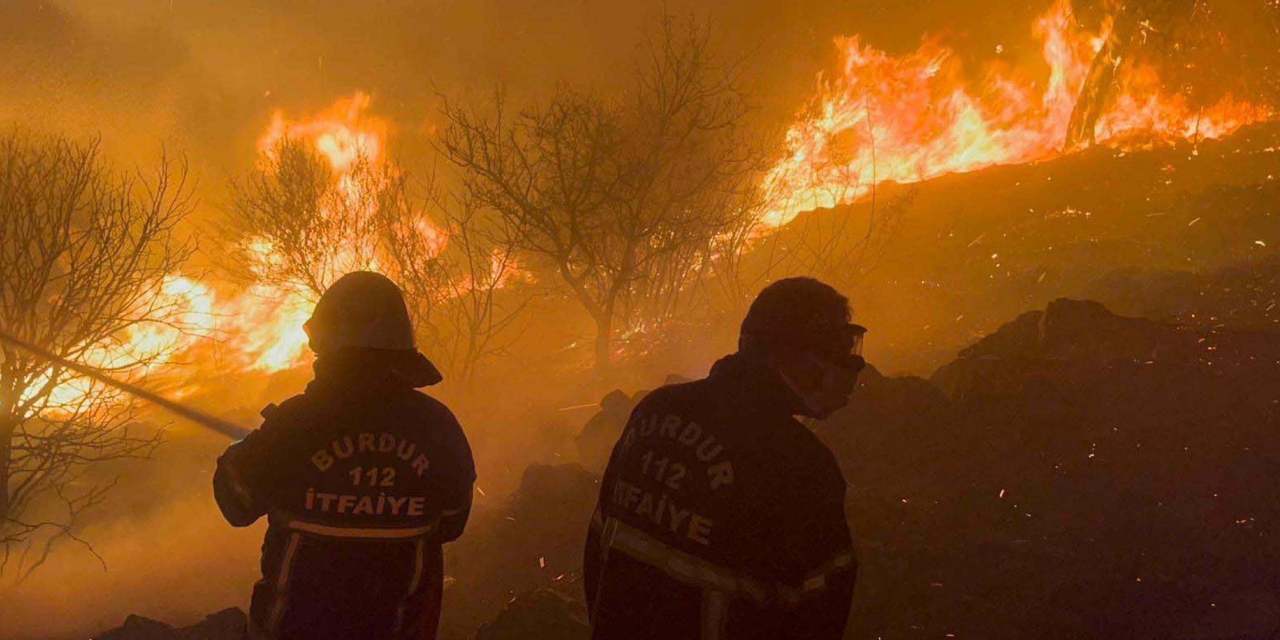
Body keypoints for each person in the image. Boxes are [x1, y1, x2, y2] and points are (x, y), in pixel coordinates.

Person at [583, 277, 865, 640]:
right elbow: (819, 614)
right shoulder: (802, 465)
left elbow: (597, 554)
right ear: (788, 355)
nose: (850, 366)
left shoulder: (654, 412)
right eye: (836, 349)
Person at [213, 272, 475, 640]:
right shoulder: (438, 427)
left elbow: (236, 504)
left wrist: (244, 453)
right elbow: (452, 522)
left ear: (332, 347)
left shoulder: (295, 424)